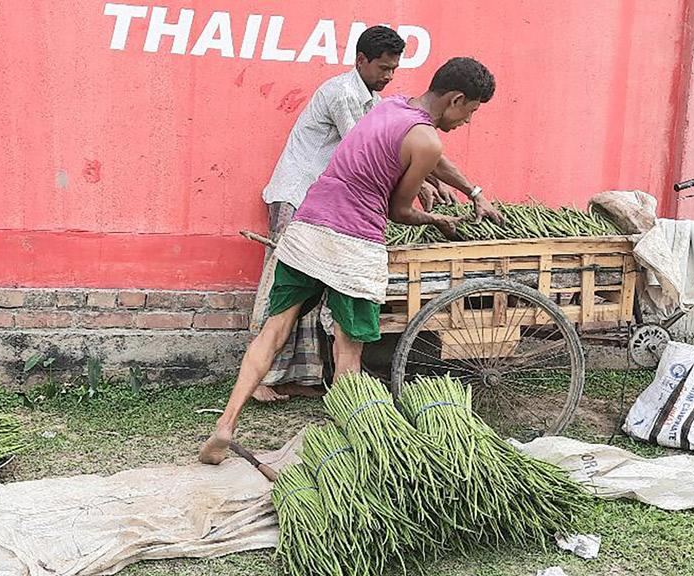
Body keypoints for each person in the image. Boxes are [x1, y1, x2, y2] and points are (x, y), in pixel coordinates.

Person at [201, 57, 497, 464]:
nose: (469, 121)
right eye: (471, 111)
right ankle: (349, 450)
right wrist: (439, 220)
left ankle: (225, 425)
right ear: (456, 99)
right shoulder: (427, 141)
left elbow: (432, 157)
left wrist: (474, 190)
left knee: (273, 331)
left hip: (308, 228)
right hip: (353, 244)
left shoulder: (391, 106)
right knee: (348, 354)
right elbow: (400, 211)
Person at [251, 25, 406, 403]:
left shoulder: (369, 99)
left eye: (393, 69)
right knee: (285, 295)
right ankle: (258, 379)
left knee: (314, 293)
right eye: (383, 68)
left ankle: (296, 378)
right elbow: (367, 149)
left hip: (323, 206)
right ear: (361, 61)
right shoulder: (341, 94)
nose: (388, 76)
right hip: (297, 198)